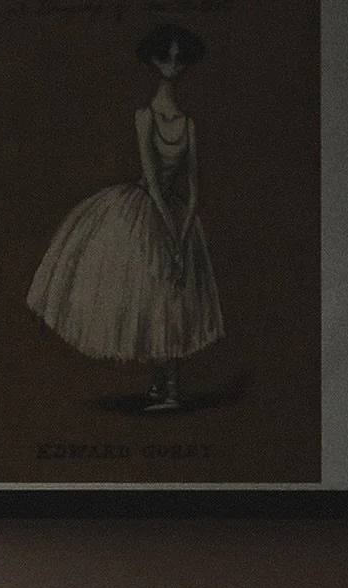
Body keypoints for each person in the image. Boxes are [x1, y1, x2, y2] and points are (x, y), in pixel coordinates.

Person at [26, 25, 224, 411]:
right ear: (153, 61)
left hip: (177, 215)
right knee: (150, 294)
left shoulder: (189, 124)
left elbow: (196, 189)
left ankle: (168, 390)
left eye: (179, 58)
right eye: (165, 57)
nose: (173, 64)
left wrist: (183, 236)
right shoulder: (144, 117)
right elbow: (151, 180)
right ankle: (161, 388)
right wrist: (170, 234)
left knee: (172, 298)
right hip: (145, 210)